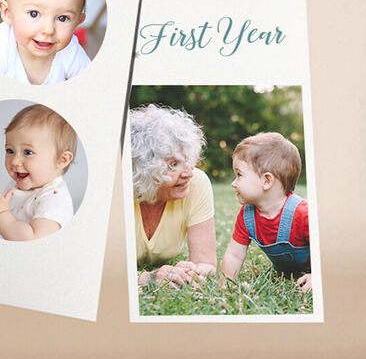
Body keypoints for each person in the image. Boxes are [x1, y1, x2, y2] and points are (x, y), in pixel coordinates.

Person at [0, 103, 77, 241]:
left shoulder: (55, 200)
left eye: (28, 152)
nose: (15, 161)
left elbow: (31, 240)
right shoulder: (17, 186)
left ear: (62, 160)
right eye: (10, 151)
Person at [129, 104, 216, 286]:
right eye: (173, 164)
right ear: (143, 169)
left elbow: (206, 263)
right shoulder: (117, 192)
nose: (188, 173)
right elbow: (98, 268)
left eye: (187, 160)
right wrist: (150, 278)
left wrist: (189, 272)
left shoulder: (196, 184)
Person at [220, 132, 312, 293]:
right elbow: (234, 254)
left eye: (239, 175)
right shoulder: (247, 216)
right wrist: (226, 285)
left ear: (266, 181)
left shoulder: (303, 214)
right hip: (286, 273)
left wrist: (318, 275)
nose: (233, 183)